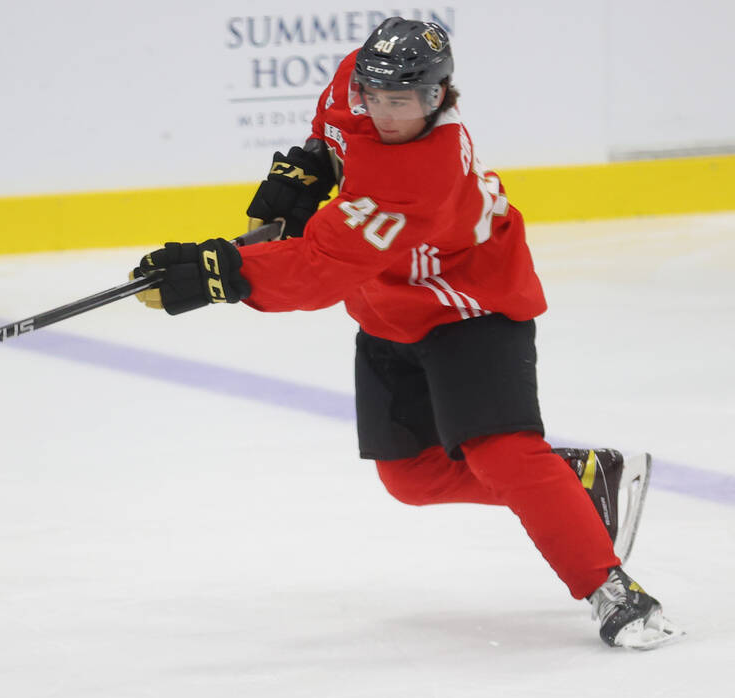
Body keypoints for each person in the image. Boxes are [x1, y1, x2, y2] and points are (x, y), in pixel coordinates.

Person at [131, 17, 681, 649]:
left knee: (501, 452)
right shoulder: (353, 83)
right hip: (388, 303)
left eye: (406, 102)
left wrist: (218, 274)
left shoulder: (423, 175)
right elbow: (329, 135)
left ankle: (612, 589)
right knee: (412, 475)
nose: (387, 114)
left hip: (468, 303)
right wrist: (304, 171)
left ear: (440, 97)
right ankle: (578, 481)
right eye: (377, 98)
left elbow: (319, 269)